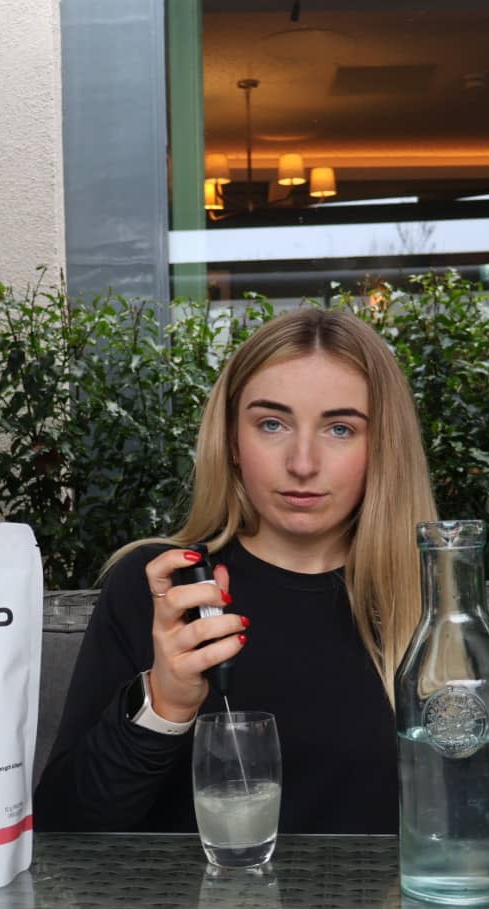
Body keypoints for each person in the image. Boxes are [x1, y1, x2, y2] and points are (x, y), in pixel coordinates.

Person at [33, 306, 437, 834]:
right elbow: (64, 829)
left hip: (380, 894)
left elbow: (479, 823)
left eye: (340, 429)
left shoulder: (433, 602)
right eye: (272, 424)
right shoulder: (162, 587)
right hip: (190, 894)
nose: (303, 463)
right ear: (232, 442)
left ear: (382, 448)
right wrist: (163, 704)